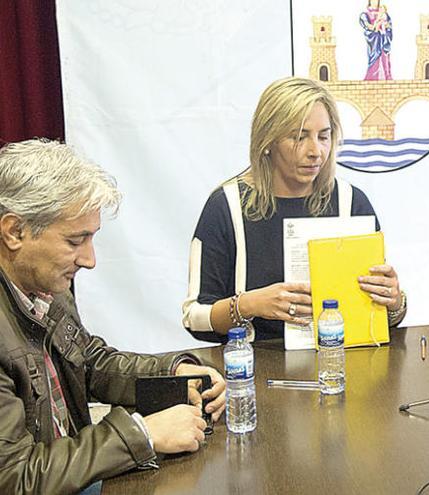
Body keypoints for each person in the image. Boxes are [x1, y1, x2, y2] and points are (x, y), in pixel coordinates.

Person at [0, 139, 226, 494]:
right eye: (76, 241)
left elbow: (88, 363)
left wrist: (174, 372)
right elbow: (15, 477)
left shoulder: (45, 287)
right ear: (14, 231)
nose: (89, 259)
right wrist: (143, 433)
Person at [183, 77, 406, 342]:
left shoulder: (351, 202)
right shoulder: (226, 206)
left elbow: (383, 318)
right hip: (254, 370)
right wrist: (247, 305)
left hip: (340, 365)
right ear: (268, 141)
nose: (316, 151)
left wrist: (394, 302)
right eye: (299, 137)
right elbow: (195, 318)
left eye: (324, 137)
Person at [360, 0, 393, 80]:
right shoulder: (365, 14)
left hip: (383, 40)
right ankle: (373, 77)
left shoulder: (384, 13)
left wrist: (386, 29)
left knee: (385, 58)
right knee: (375, 60)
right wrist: (375, 28)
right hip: (374, 41)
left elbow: (389, 26)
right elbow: (367, 26)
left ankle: (387, 76)